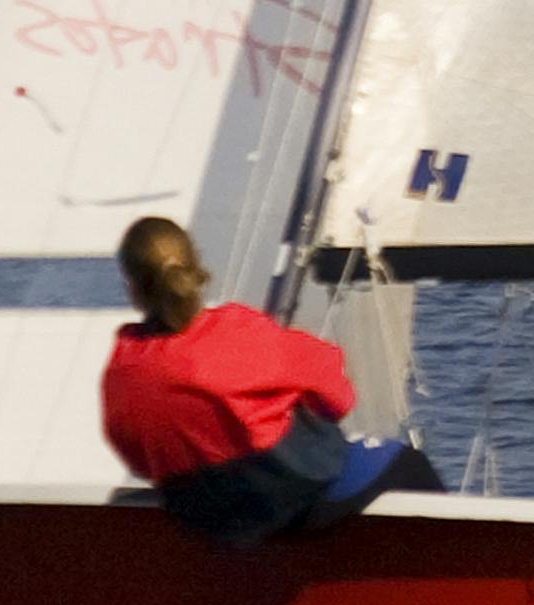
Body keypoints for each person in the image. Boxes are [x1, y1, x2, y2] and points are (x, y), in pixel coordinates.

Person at [100, 217, 434, 545]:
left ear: (132, 286)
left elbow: (136, 457)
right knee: (411, 465)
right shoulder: (235, 331)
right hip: (292, 493)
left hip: (204, 518)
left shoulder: (123, 369)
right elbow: (339, 396)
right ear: (193, 267)